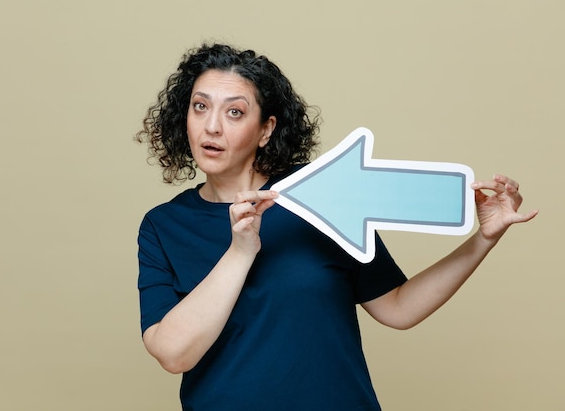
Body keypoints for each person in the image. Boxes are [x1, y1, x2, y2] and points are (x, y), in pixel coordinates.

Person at [135, 43, 538, 411]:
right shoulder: (163, 226)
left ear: (266, 129)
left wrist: (483, 239)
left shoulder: (325, 194)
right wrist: (240, 251)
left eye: (235, 111)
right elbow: (173, 353)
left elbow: (397, 307)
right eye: (200, 106)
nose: (212, 127)